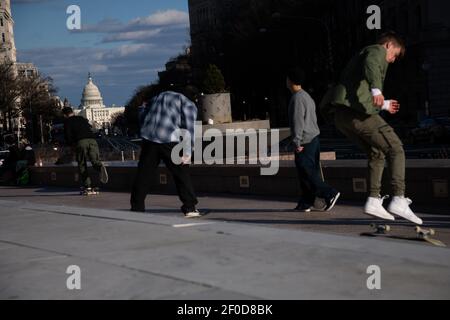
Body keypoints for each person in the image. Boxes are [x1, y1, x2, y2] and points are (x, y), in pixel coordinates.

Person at [320, 31, 422, 225]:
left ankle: (374, 200)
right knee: (396, 148)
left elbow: (357, 91)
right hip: (357, 115)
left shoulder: (359, 59)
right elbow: (372, 64)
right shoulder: (376, 50)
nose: (392, 61)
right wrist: (377, 89)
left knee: (377, 152)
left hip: (342, 117)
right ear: (389, 46)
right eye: (394, 55)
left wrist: (383, 105)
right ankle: (399, 198)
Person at [129, 85, 201, 218]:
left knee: (144, 174)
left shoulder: (160, 96)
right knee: (181, 172)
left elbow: (142, 111)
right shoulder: (188, 103)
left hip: (149, 138)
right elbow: (189, 128)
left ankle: (136, 206)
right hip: (168, 138)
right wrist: (187, 151)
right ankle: (189, 207)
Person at [287, 67, 340, 212]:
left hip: (305, 141)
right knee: (308, 172)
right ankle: (306, 202)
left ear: (290, 81)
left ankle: (329, 193)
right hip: (314, 138)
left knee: (307, 172)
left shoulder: (297, 98)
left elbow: (298, 122)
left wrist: (297, 142)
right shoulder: (307, 96)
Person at [62, 107, 108, 193]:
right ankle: (100, 167)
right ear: (72, 112)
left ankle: (88, 186)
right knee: (95, 160)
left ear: (65, 115)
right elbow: (90, 127)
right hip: (92, 140)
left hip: (81, 141)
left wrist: (71, 145)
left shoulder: (67, 122)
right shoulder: (82, 118)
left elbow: (68, 136)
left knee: (82, 164)